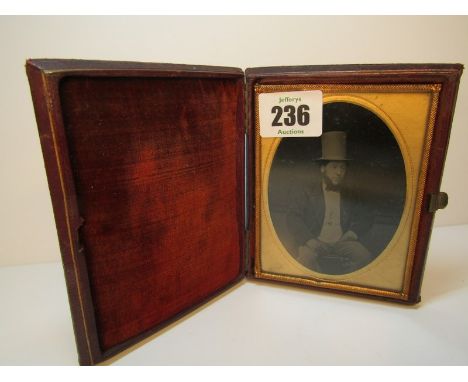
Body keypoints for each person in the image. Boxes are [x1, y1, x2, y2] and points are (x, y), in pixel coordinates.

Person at [286, 131, 372, 274]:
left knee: (364, 256)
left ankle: (345, 284)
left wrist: (352, 233)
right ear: (322, 168)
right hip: (315, 240)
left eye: (342, 168)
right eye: (334, 167)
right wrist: (308, 240)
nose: (339, 172)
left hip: (342, 242)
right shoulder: (307, 192)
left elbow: (367, 216)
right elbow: (292, 217)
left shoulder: (350, 194)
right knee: (305, 259)